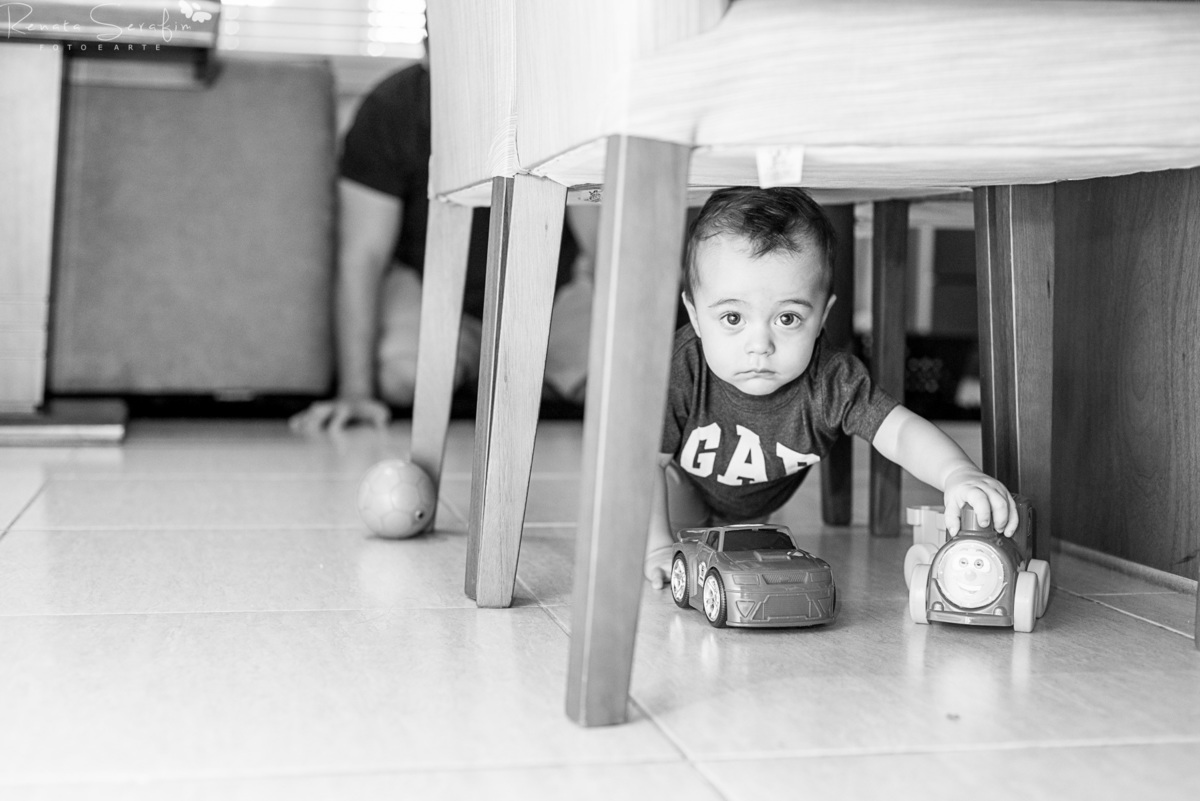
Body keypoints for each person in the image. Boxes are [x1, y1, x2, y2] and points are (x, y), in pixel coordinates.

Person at [642, 187, 1018, 587]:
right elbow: (645, 464)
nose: (759, 346)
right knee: (665, 520)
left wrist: (956, 473)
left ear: (823, 317)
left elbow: (901, 431)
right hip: (677, 488)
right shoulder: (682, 368)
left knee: (739, 556)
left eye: (787, 318)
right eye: (732, 318)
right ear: (696, 317)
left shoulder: (831, 380)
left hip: (750, 511)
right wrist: (657, 547)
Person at [290, 60, 592, 432]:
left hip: (546, 300)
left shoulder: (560, 103)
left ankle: (514, 372)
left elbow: (602, 245)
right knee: (401, 379)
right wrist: (356, 390)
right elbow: (362, 256)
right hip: (430, 292)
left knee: (615, 380)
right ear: (428, 46)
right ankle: (492, 372)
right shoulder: (391, 108)